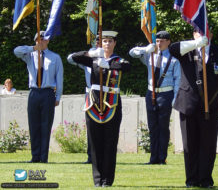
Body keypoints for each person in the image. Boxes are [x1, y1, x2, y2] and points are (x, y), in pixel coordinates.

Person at [68, 31, 130, 187]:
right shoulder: (93, 59)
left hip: (112, 103)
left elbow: (126, 66)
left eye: (110, 41)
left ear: (115, 43)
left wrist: (108, 64)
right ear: (100, 44)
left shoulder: (118, 60)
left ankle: (107, 180)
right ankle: (97, 179)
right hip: (94, 103)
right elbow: (74, 57)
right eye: (104, 41)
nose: (107, 44)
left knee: (110, 141)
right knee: (95, 142)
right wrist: (91, 53)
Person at [169, 30, 218, 188]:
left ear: (211, 34)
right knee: (190, 145)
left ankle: (206, 180)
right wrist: (196, 44)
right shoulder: (186, 51)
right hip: (189, 105)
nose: (202, 34)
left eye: (206, 31)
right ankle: (192, 180)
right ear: (193, 35)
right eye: (198, 32)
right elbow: (172, 48)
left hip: (211, 106)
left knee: (208, 145)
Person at [129, 30, 180, 165]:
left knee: (163, 127)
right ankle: (153, 158)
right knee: (153, 127)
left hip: (166, 94)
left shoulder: (174, 59)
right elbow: (132, 53)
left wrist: (175, 97)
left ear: (168, 42)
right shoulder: (150, 55)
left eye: (162, 41)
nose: (159, 43)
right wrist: (145, 49)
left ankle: (162, 158)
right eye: (157, 41)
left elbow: (177, 80)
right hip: (151, 93)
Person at [14, 31, 63, 163]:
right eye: (38, 39)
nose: (41, 41)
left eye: (44, 39)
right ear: (35, 40)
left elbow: (59, 79)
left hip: (48, 93)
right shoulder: (30, 55)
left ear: (48, 41)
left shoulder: (55, 57)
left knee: (45, 125)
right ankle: (35, 156)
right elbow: (16, 51)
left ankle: (43, 157)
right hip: (34, 92)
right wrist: (34, 48)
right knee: (34, 125)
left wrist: (58, 96)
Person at [67, 41, 100, 164]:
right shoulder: (88, 57)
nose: (98, 43)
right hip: (90, 93)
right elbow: (70, 58)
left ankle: (103, 156)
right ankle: (91, 156)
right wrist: (88, 53)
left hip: (104, 93)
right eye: (97, 41)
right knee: (91, 125)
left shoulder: (109, 57)